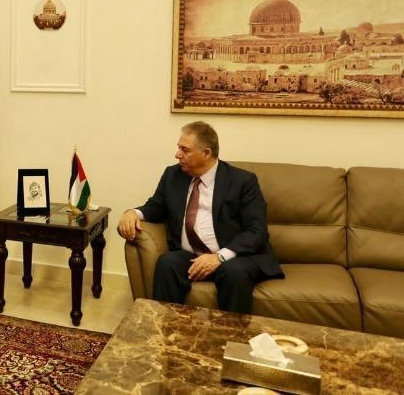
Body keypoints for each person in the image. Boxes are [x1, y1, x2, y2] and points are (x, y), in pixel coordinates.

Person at [117, 121, 283, 314]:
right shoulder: (173, 175)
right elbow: (155, 207)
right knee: (167, 263)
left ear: (206, 153)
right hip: (191, 255)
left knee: (234, 272)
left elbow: (256, 231)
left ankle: (230, 332)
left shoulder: (242, 181)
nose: (177, 154)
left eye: (185, 150)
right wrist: (132, 213)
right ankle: (166, 328)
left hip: (233, 257)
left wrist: (219, 257)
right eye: (178, 148)